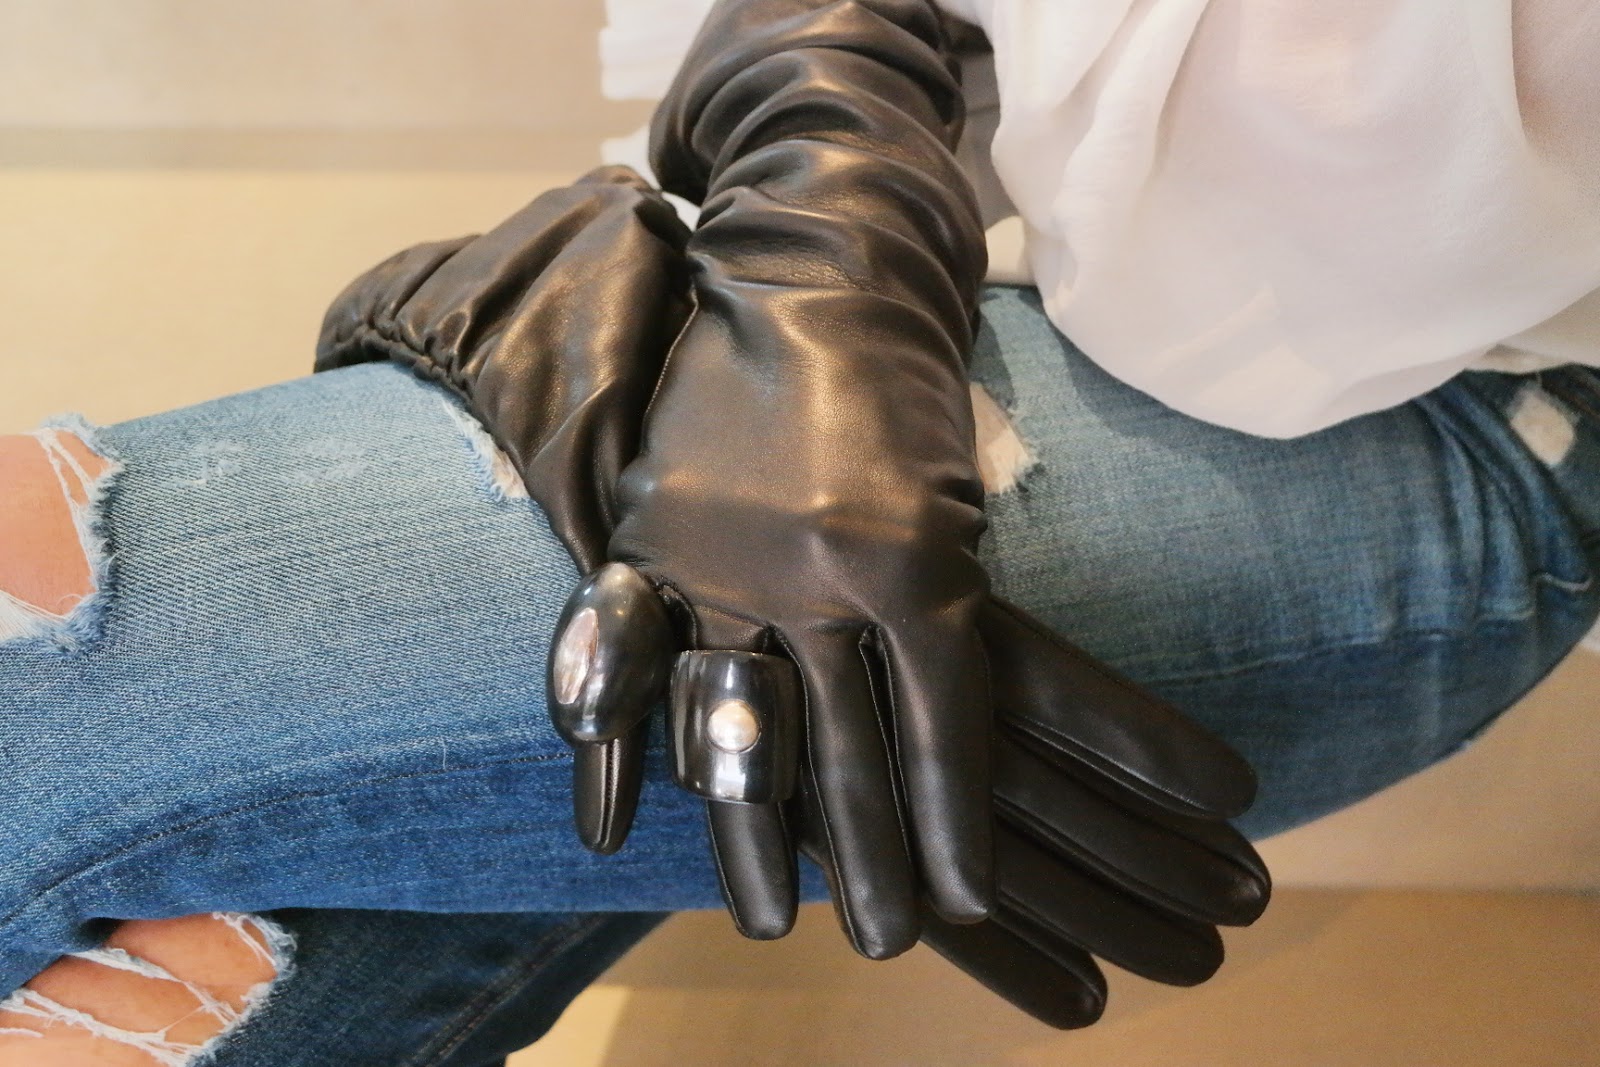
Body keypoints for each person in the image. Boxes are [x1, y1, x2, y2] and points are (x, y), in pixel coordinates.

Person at [1, 1, 1596, 1063]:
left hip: (1433, 375)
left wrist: (815, 270)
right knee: (177, 975)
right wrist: (812, 213)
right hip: (904, 205)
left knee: (38, 658)